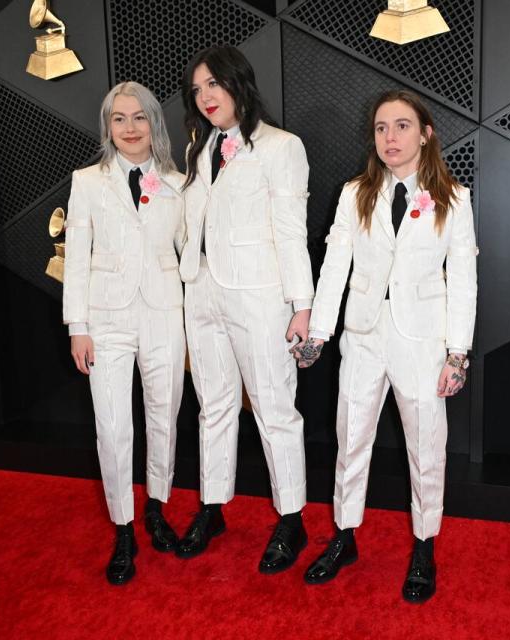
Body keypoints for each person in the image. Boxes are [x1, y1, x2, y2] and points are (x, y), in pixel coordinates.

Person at [293, 89, 478, 603]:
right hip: (364, 334)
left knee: (426, 448)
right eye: (380, 128)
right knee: (349, 436)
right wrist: (319, 334)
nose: (390, 138)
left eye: (401, 126)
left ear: (425, 133)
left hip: (423, 342)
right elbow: (334, 267)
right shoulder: (355, 194)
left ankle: (424, 546)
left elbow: (464, 280)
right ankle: (344, 535)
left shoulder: (454, 199)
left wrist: (457, 353)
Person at [176, 45, 315, 574]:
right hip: (203, 290)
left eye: (214, 84)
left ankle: (292, 519)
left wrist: (301, 305)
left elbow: (290, 231)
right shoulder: (198, 147)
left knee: (275, 409)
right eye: (197, 89)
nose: (206, 96)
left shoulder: (282, 147)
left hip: (260, 296)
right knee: (213, 405)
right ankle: (213, 507)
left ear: (239, 83)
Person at [62, 81, 186, 586]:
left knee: (164, 419)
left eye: (139, 118)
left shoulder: (178, 183)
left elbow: (190, 254)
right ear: (107, 126)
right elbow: (76, 260)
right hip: (106, 319)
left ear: (154, 123)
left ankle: (156, 507)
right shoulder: (87, 181)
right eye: (119, 119)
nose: (130, 128)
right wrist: (78, 327)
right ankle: (123, 527)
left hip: (164, 315)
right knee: (113, 429)